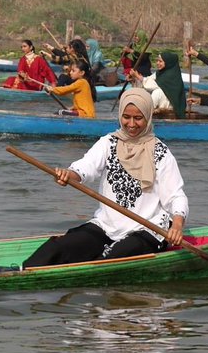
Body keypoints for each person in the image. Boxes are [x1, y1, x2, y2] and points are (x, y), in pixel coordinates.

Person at [18, 89, 187, 269]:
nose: (131, 124)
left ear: (148, 117)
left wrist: (176, 226)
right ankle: (21, 271)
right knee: (60, 246)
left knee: (111, 258)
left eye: (138, 118)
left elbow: (176, 196)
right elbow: (86, 166)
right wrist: (69, 175)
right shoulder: (108, 143)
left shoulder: (161, 153)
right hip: (108, 226)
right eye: (126, 117)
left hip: (149, 229)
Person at [129, 51, 187, 118]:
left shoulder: (170, 75)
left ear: (168, 62)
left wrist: (138, 76)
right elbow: (148, 80)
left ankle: (146, 111)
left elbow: (152, 85)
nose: (157, 63)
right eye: (157, 61)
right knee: (144, 92)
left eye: (160, 61)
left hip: (170, 106)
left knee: (158, 92)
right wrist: (134, 78)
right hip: (162, 102)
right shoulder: (160, 73)